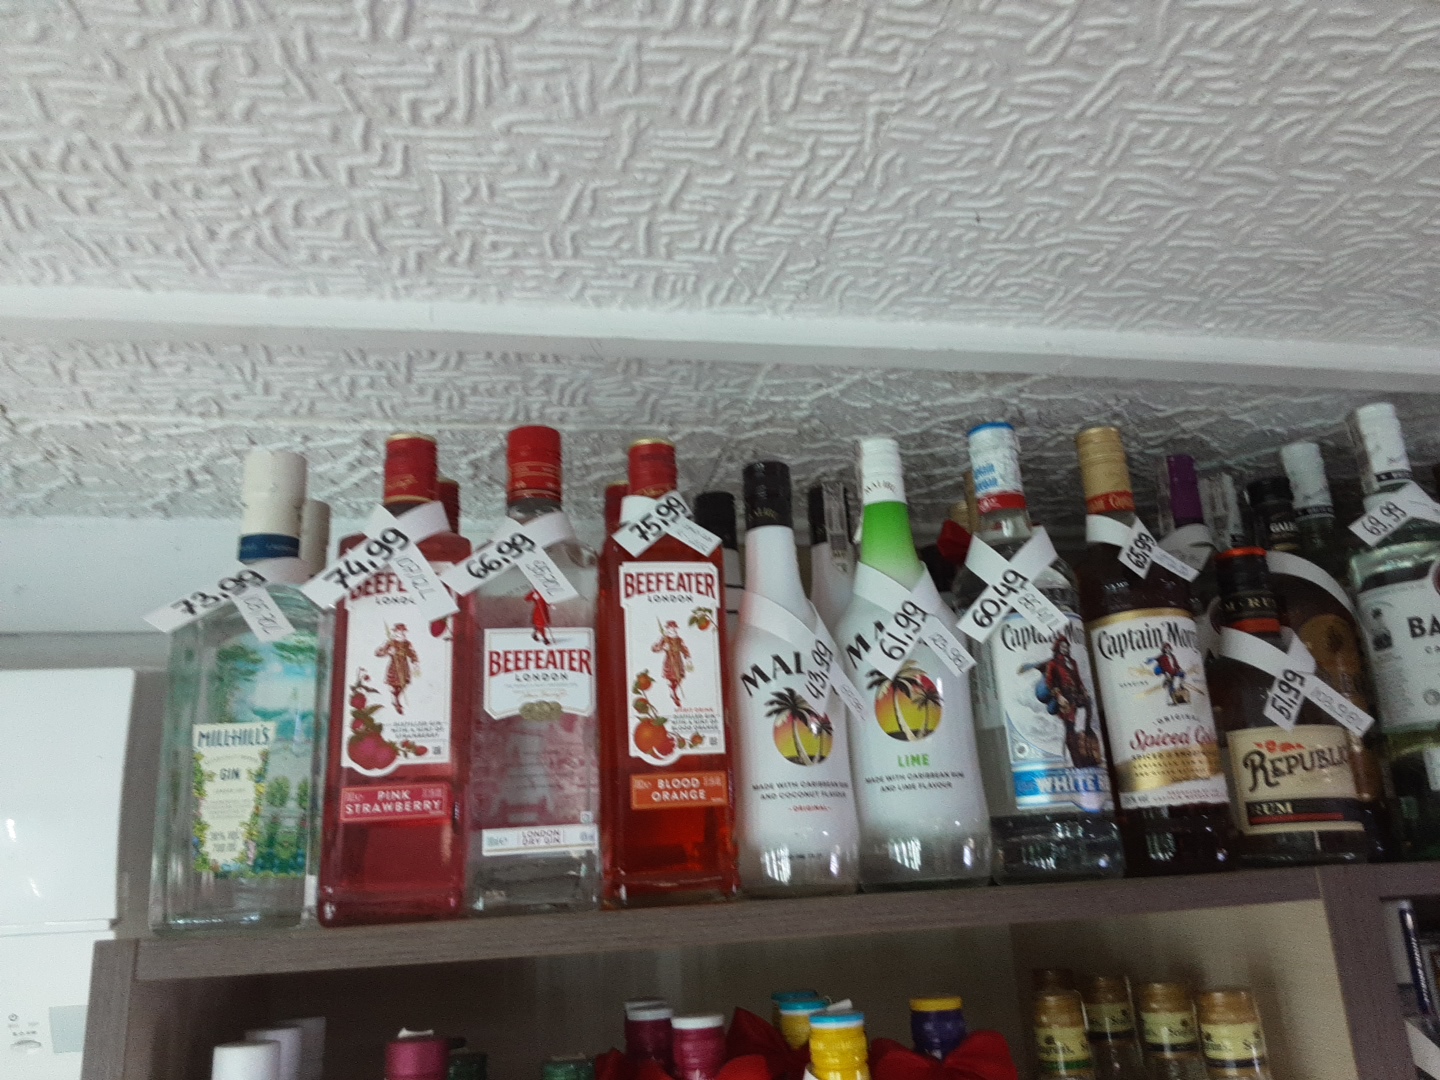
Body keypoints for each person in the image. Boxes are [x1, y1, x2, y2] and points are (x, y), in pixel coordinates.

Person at [376, 623, 419, 714]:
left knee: (403, 684)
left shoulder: (407, 643)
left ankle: (395, 698)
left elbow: (412, 653)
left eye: (403, 631)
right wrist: (388, 651)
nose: (401, 633)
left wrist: (415, 662)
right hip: (394, 666)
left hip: (404, 667)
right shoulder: (391, 643)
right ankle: (396, 702)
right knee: (394, 684)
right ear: (395, 632)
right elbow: (379, 653)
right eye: (399, 631)